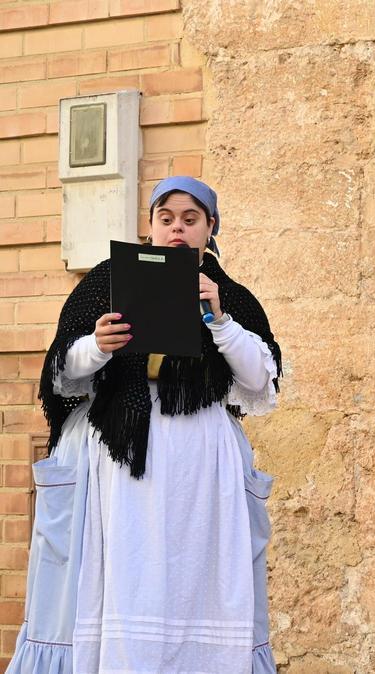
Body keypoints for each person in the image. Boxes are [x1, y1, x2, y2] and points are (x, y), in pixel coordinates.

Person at [10, 177, 282, 674]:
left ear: (210, 228)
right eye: (167, 218)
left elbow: (262, 377)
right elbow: (61, 370)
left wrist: (220, 321)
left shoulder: (231, 296)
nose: (177, 228)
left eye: (190, 219)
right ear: (151, 226)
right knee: (123, 573)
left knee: (192, 579)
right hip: (119, 455)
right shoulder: (106, 282)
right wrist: (97, 345)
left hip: (201, 465)